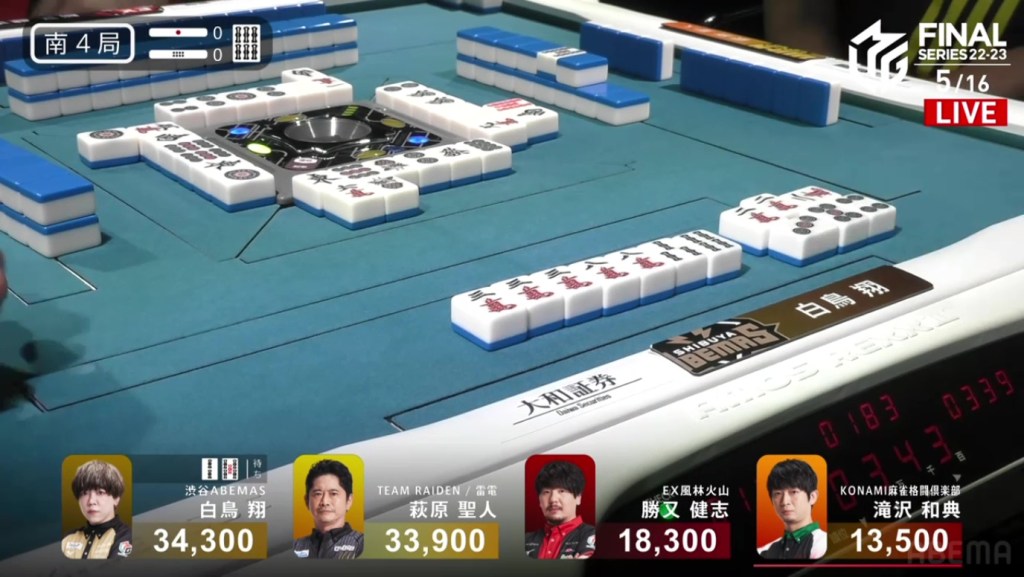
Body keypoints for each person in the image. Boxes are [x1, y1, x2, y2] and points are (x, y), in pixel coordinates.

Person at [764, 0, 1024, 99]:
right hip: (847, 91)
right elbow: (797, 22)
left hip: (994, 117)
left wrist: (917, 109)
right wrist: (834, 93)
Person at [61, 460, 133, 559]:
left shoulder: (129, 537)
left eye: (100, 492)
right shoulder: (67, 538)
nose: (91, 501)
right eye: (84, 493)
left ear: (116, 498)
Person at [524, 460, 596, 559]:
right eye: (546, 492)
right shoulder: (525, 540)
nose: (553, 499)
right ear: (539, 501)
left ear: (578, 498)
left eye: (562, 491)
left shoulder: (594, 535)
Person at [293, 459, 364, 559]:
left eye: (333, 493)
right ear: (306, 501)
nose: (324, 501)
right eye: (318, 494)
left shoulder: (362, 544)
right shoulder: (296, 547)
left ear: (349, 500)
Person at [757, 459, 827, 560]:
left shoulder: (823, 544)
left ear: (812, 497)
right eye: (778, 493)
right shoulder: (765, 551)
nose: (785, 502)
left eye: (794, 492)